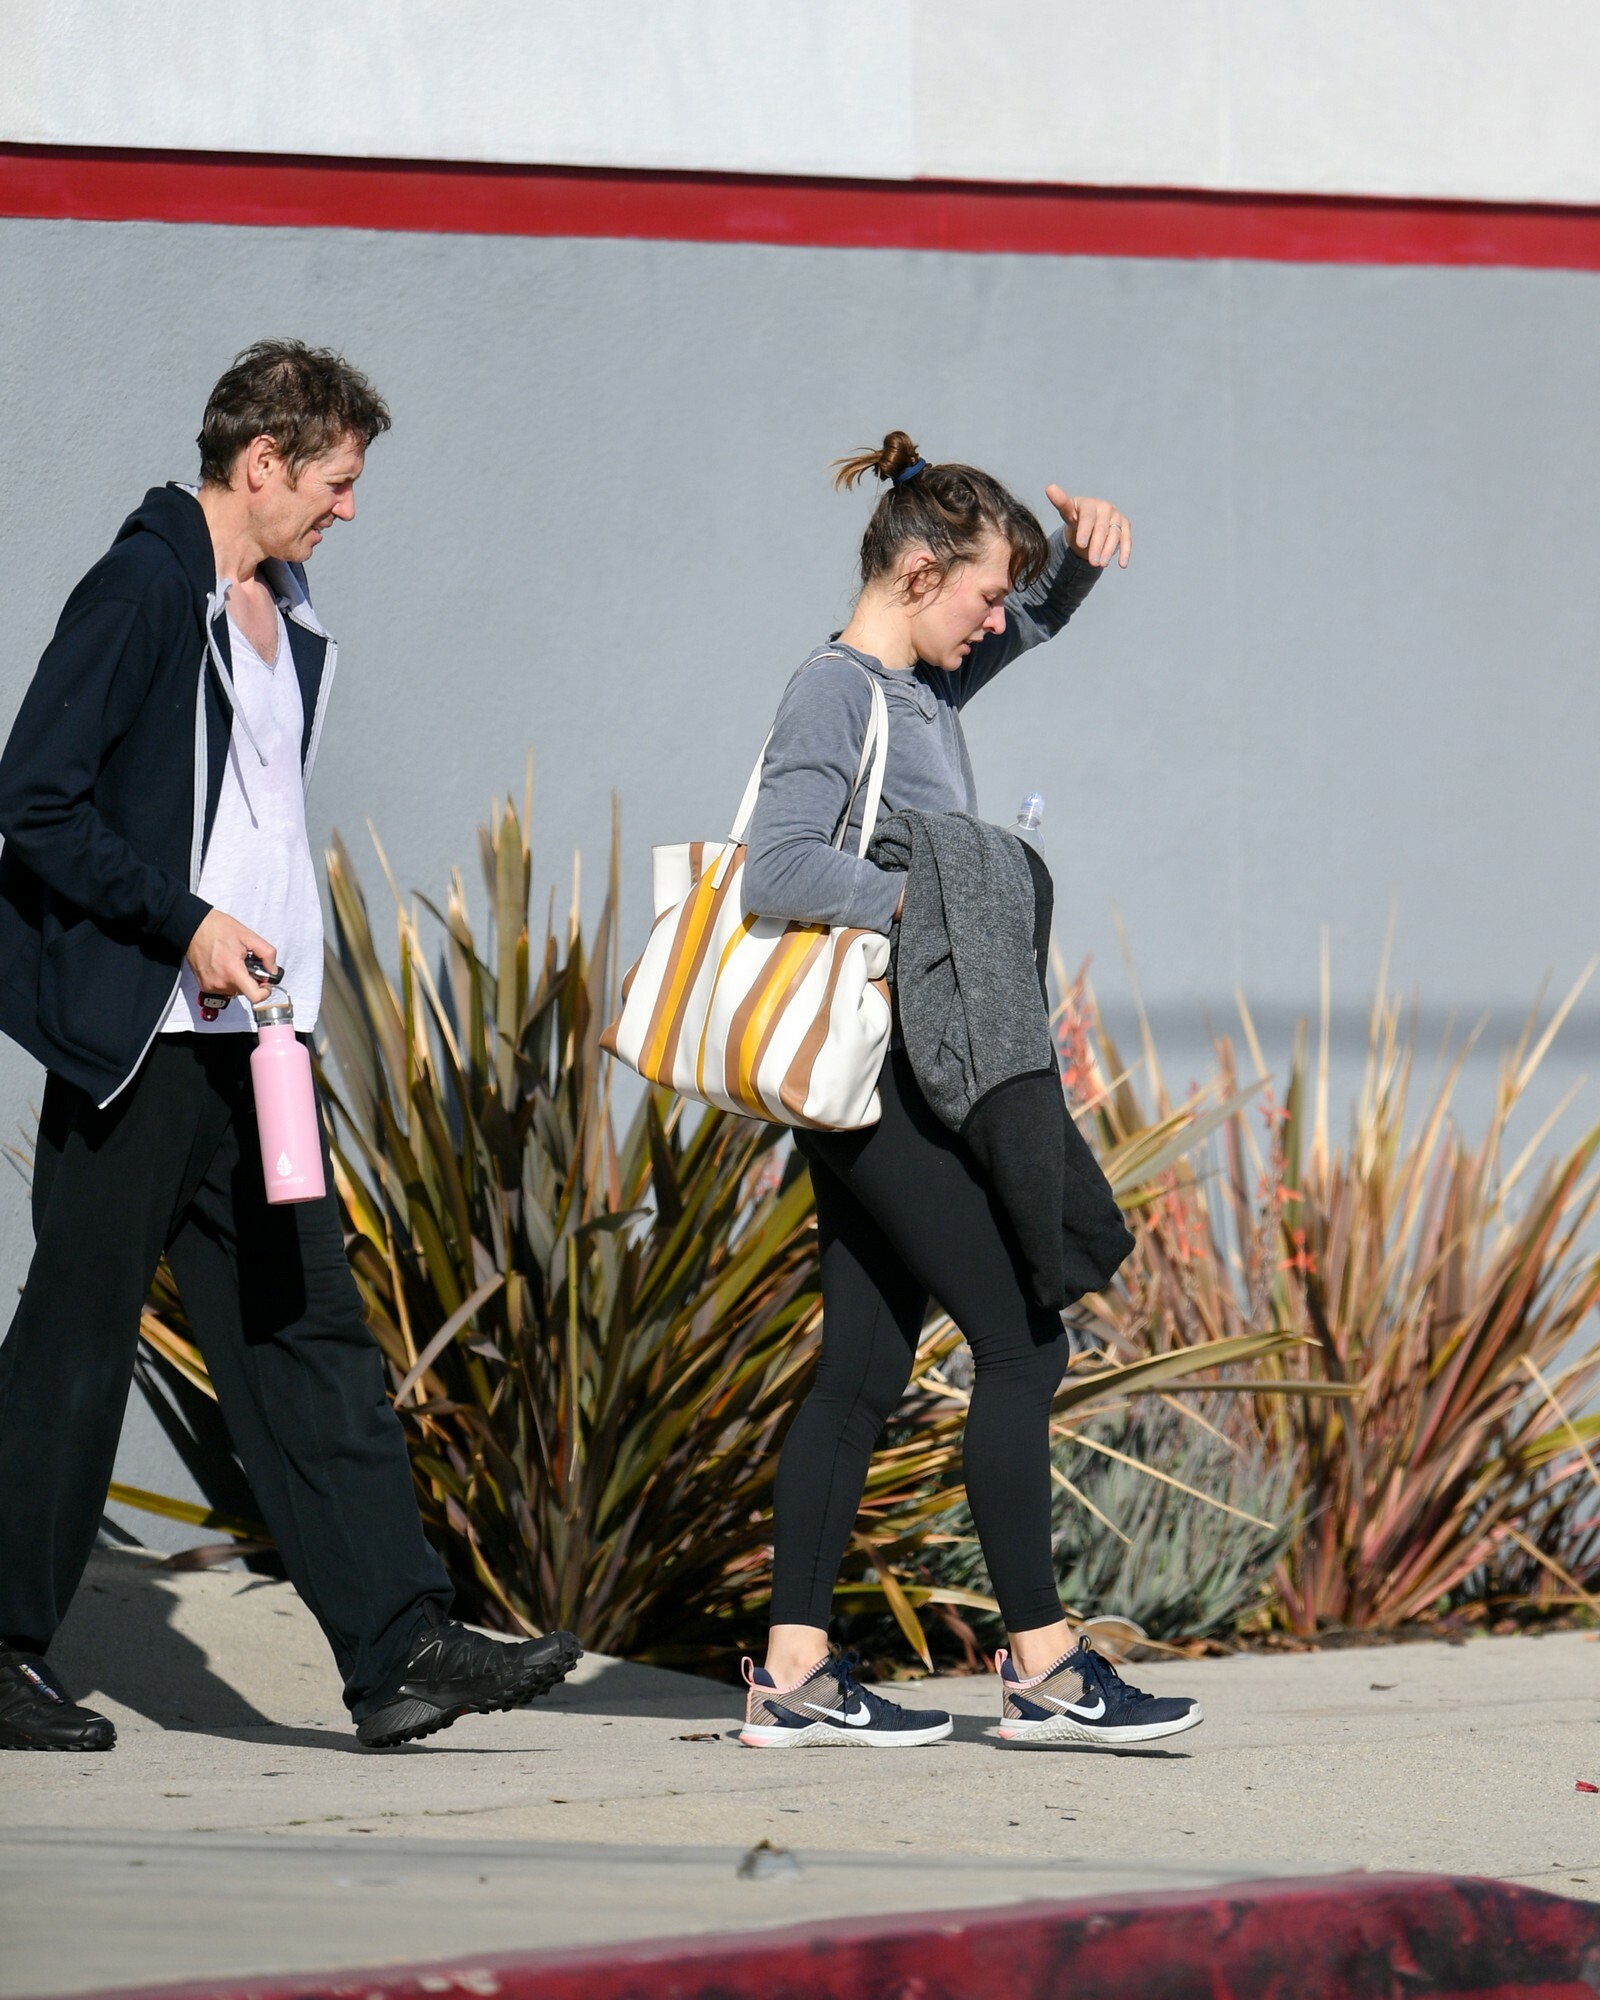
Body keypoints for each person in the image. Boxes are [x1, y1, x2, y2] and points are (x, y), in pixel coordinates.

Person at [0, 340, 580, 1752]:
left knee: (308, 1335)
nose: (349, 509)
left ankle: (399, 1651)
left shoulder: (285, 611)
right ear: (262, 463)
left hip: (260, 1043)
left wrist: (265, 971)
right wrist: (184, 922)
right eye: (335, 481)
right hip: (146, 1043)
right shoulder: (145, 590)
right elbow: (35, 801)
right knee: (75, 1347)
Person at [736, 432, 1204, 1750]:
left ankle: (793, 1674)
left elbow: (1035, 613)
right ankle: (1047, 1665)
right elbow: (776, 865)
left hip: (891, 1071)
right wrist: (930, 901)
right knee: (1023, 1344)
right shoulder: (837, 693)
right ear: (921, 572)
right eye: (984, 594)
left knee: (861, 1368)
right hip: (879, 1077)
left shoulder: (925, 689)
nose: (998, 620)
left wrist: (1079, 560)